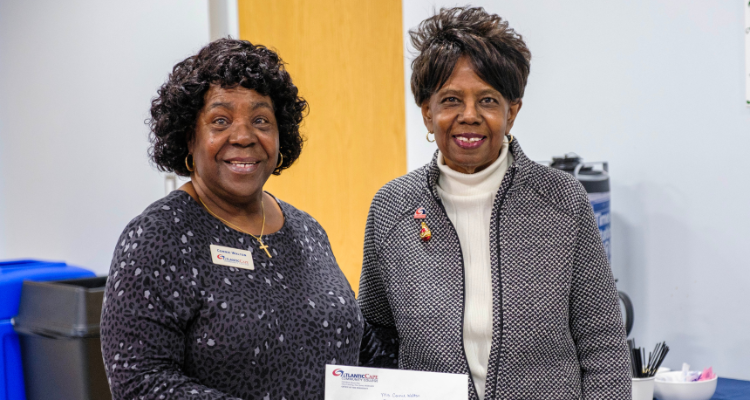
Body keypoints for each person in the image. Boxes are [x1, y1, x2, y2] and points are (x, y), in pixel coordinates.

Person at [358, 7, 630, 400]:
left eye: (487, 100)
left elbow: (603, 345)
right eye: (451, 100)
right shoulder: (391, 208)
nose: (469, 116)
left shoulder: (563, 201)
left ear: (512, 112)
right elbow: (375, 340)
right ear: (427, 113)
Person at [100, 39, 363, 400]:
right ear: (189, 137)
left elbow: (352, 347)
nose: (243, 136)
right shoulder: (156, 237)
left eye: (260, 120)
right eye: (220, 121)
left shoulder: (307, 230)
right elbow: (141, 382)